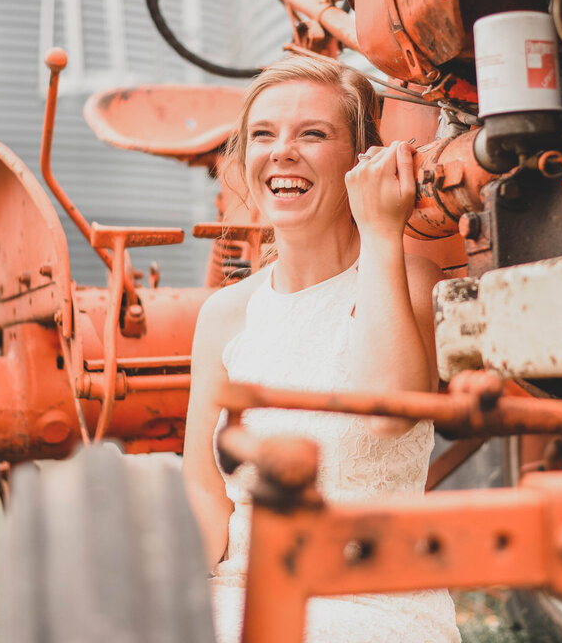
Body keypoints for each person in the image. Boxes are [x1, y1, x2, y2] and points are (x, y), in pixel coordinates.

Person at [183, 56, 461, 643]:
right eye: (263, 135)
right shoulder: (223, 316)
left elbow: (388, 416)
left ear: (361, 158)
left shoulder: (411, 277)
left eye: (312, 133)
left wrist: (383, 230)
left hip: (366, 603)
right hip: (238, 593)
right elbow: (207, 492)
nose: (282, 151)